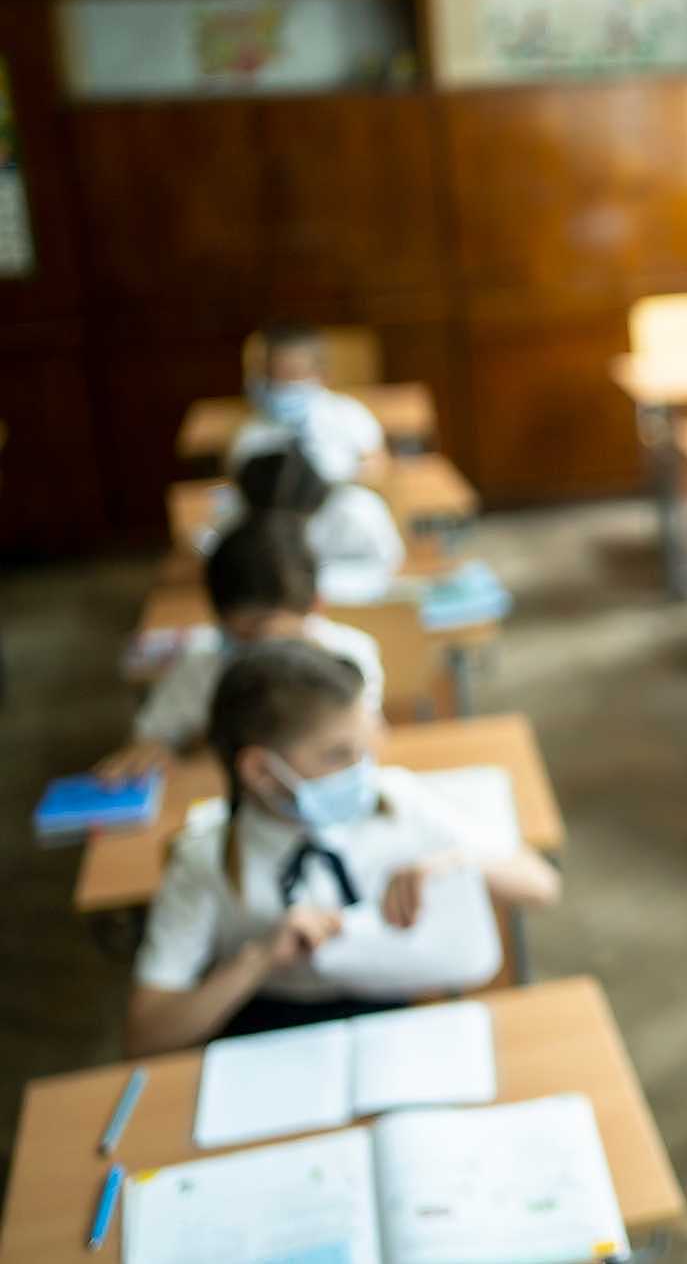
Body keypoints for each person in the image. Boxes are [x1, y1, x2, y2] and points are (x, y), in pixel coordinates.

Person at [124, 640, 560, 1052]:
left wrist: (458, 864)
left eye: (365, 748)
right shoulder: (205, 859)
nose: (362, 772)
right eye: (337, 755)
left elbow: (542, 885)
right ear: (260, 771)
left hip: (391, 1025)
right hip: (268, 1037)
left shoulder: (395, 801)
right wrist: (256, 961)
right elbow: (146, 1033)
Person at [97, 515, 384, 783]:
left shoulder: (349, 655)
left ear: (315, 606)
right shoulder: (202, 664)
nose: (257, 651)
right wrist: (154, 751)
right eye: (241, 635)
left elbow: (368, 739)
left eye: (264, 630)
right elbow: (151, 737)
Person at [217, 445, 406, 604]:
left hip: (354, 602)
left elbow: (387, 567)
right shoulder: (252, 508)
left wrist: (315, 581)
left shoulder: (357, 508)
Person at [227, 322, 386, 484]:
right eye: (274, 375)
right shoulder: (252, 433)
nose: (283, 384)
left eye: (293, 373)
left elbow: (376, 463)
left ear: (321, 375)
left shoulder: (349, 414)